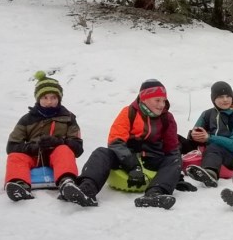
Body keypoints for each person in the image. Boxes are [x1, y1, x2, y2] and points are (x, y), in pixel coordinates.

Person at [61, 79, 181, 209]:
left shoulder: (167, 118)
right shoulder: (129, 112)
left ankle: (154, 194)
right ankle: (86, 190)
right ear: (144, 98)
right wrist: (132, 165)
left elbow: (171, 149)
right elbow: (115, 141)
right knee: (102, 152)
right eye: (157, 100)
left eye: (163, 100)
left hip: (152, 159)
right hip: (126, 159)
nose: (162, 105)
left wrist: (175, 177)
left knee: (175, 158)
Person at [4, 71, 84, 202]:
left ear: (59, 99)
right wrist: (32, 148)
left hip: (57, 156)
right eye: (45, 98)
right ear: (38, 99)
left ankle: (67, 183)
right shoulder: (26, 119)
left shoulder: (68, 118)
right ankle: (19, 185)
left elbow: (78, 148)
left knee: (64, 150)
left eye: (53, 97)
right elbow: (11, 146)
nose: (49, 101)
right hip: (34, 156)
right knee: (15, 156)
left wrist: (59, 141)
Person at [184, 81, 233, 187]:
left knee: (214, 146)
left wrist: (209, 138)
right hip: (207, 152)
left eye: (228, 96)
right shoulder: (207, 114)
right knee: (177, 140)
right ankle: (169, 169)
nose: (225, 100)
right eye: (221, 96)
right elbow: (195, 135)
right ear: (213, 99)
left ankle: (211, 174)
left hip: (229, 158)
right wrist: (194, 135)